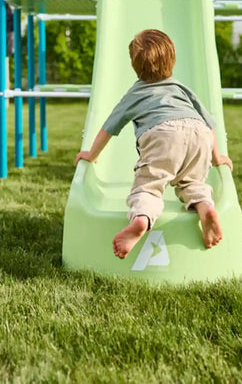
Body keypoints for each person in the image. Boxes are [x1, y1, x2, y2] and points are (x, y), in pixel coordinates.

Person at [75, 28, 233, 259]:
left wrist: (91, 154)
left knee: (148, 188)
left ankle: (141, 219)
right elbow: (208, 123)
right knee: (192, 182)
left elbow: (109, 128)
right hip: (199, 134)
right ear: (173, 60)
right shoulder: (181, 88)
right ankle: (205, 208)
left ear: (134, 65)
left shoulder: (135, 93)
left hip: (162, 135)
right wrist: (216, 157)